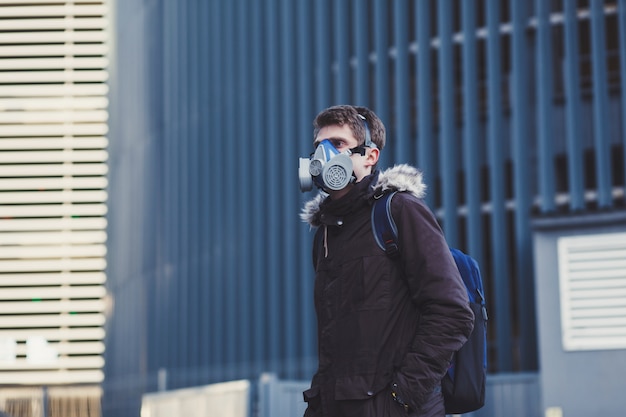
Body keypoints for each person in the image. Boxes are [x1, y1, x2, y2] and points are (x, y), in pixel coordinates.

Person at [298, 105, 475, 417]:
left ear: (370, 156)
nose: (322, 155)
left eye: (337, 144)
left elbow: (452, 313)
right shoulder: (325, 232)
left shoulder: (399, 212)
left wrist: (402, 398)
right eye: (318, 147)